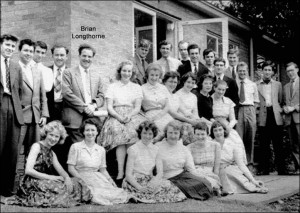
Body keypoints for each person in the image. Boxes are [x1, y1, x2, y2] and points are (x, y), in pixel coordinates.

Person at [4, 121, 92, 207]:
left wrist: (67, 178)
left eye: (56, 136)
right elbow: (28, 170)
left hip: (43, 180)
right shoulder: (37, 146)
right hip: (31, 182)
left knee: (77, 182)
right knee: (59, 187)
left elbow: (61, 171)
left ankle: (65, 196)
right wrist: (52, 177)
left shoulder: (52, 153)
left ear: (60, 138)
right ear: (46, 134)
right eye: (51, 135)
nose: (53, 139)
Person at [98, 60, 146, 184]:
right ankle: (120, 172)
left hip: (132, 114)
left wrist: (129, 116)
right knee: (117, 130)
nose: (126, 73)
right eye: (124, 70)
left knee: (134, 131)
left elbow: (137, 107)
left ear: (132, 73)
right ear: (120, 72)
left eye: (129, 71)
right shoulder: (113, 86)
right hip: (116, 114)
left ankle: (131, 171)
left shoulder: (136, 87)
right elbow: (109, 107)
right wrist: (119, 117)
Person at [59, 44, 105, 171]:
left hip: (92, 118)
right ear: (79, 56)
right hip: (75, 117)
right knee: (78, 150)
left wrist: (94, 105)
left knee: (93, 149)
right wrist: (85, 107)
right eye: (84, 56)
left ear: (93, 58)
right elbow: (67, 93)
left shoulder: (97, 75)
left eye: (89, 56)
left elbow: (101, 95)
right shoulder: (69, 73)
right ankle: (78, 179)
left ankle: (92, 177)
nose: (86, 59)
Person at [68, 118, 130, 205]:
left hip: (96, 178)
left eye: (93, 130)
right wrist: (81, 181)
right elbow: (71, 168)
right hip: (80, 177)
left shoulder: (101, 149)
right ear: (83, 132)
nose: (90, 133)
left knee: (114, 193)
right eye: (87, 130)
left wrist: (109, 179)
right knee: (95, 195)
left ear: (97, 132)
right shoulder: (75, 147)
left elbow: (103, 169)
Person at [122, 121, 186, 203]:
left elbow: (160, 172)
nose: (147, 136)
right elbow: (128, 175)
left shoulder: (156, 149)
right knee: (143, 192)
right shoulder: (133, 149)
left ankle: (150, 192)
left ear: (153, 135)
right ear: (140, 134)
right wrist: (139, 187)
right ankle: (141, 193)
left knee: (168, 185)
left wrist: (154, 182)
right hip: (134, 181)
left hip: (149, 179)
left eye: (150, 134)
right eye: (144, 133)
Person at [156, 120, 215, 200]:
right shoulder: (158, 147)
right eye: (170, 133)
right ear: (166, 133)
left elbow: (191, 169)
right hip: (168, 178)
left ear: (180, 134)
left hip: (183, 175)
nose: (173, 136)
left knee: (205, 183)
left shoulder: (184, 149)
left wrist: (202, 177)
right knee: (184, 187)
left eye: (176, 133)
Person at [211, 120, 268, 194]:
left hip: (230, 168)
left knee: (233, 174)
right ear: (212, 132)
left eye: (220, 130)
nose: (218, 133)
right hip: (216, 170)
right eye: (215, 130)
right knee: (225, 173)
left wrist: (253, 180)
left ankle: (253, 186)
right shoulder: (210, 144)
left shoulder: (231, 144)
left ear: (224, 130)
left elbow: (241, 164)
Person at [0, 34, 24, 198]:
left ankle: (8, 188)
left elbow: (20, 91)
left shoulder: (16, 66)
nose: (10, 48)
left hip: (14, 108)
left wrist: (17, 108)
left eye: (12, 47)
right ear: (1, 45)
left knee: (12, 150)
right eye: (7, 45)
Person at [18, 38, 49, 157]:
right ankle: (14, 175)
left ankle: (30, 175)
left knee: (33, 151)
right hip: (20, 117)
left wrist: (44, 114)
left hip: (35, 118)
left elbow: (43, 95)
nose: (28, 53)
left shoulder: (37, 70)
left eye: (31, 51)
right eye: (25, 50)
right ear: (19, 51)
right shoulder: (14, 68)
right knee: (15, 149)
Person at [256, 61, 287, 175]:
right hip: (263, 116)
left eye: (269, 70)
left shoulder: (278, 85)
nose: (267, 72)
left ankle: (282, 170)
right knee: (264, 143)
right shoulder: (256, 84)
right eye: (265, 70)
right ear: (262, 71)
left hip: (275, 115)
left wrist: (279, 111)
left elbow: (280, 100)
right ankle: (265, 169)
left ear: (272, 72)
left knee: (278, 143)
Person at [211, 80, 247, 164]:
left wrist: (228, 128)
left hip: (226, 126)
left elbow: (233, 119)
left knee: (235, 141)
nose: (221, 92)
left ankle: (238, 166)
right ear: (214, 88)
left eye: (223, 90)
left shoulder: (228, 101)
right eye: (219, 89)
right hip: (213, 125)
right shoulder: (209, 99)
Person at [141, 63, 174, 142]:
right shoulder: (141, 88)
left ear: (160, 76)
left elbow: (167, 106)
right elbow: (138, 107)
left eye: (157, 75)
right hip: (149, 115)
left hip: (163, 114)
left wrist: (159, 116)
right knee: (157, 131)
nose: (154, 78)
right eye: (152, 75)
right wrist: (148, 118)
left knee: (172, 129)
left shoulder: (163, 88)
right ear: (147, 75)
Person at [162, 71, 197, 144]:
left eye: (175, 82)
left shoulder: (175, 96)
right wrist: (189, 120)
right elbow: (173, 113)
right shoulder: (163, 94)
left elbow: (183, 110)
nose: (173, 84)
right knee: (187, 128)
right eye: (171, 82)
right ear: (164, 82)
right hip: (168, 119)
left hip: (178, 119)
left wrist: (194, 119)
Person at [187, 122, 222, 194]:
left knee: (210, 183)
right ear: (194, 134)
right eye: (198, 134)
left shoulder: (216, 145)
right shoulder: (189, 147)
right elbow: (190, 167)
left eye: (202, 134)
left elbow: (216, 167)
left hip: (210, 173)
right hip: (196, 174)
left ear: (207, 134)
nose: (200, 137)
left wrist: (215, 177)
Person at [235, 62, 259, 166]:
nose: (242, 72)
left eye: (244, 70)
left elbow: (256, 101)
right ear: (237, 72)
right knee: (238, 137)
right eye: (240, 71)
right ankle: (239, 163)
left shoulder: (252, 84)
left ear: (247, 71)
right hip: (238, 110)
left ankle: (250, 163)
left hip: (250, 109)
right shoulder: (234, 83)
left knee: (250, 136)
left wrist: (252, 112)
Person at [283, 62, 299, 174]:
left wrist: (294, 108)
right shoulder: (286, 86)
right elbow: (284, 102)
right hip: (289, 119)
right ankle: (298, 167)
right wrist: (285, 108)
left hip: (299, 117)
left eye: (292, 70)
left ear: (297, 70)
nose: (290, 73)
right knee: (293, 144)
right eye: (288, 71)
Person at [46, 44, 69, 122]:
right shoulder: (45, 71)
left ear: (66, 56)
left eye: (62, 55)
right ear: (52, 56)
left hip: (66, 112)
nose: (59, 58)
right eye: (56, 55)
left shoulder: (71, 73)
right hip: (49, 112)